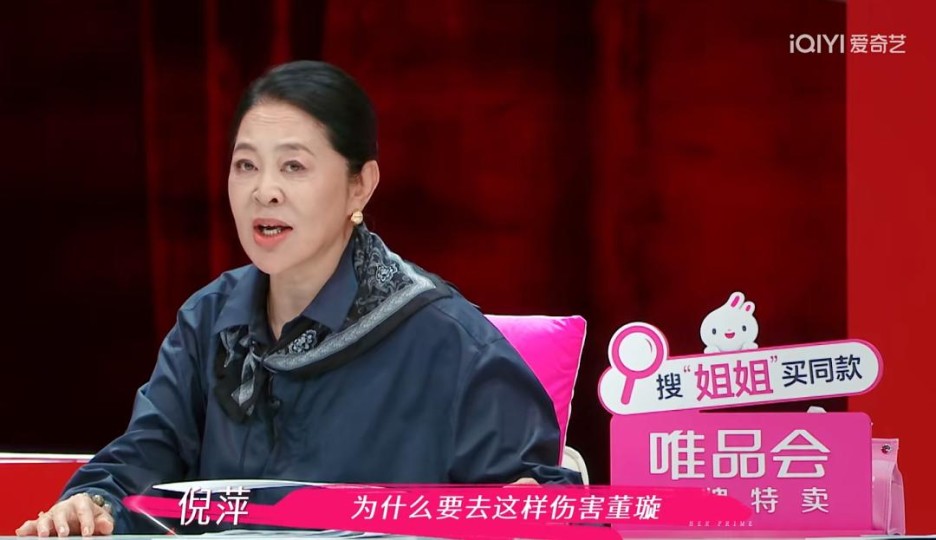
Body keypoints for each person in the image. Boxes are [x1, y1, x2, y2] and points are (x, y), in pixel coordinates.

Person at [15, 60, 581, 537]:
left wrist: (527, 512)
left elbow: (545, 504)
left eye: (294, 166)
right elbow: (144, 457)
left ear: (361, 185)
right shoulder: (209, 319)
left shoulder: (447, 343)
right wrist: (92, 505)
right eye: (246, 165)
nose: (265, 191)